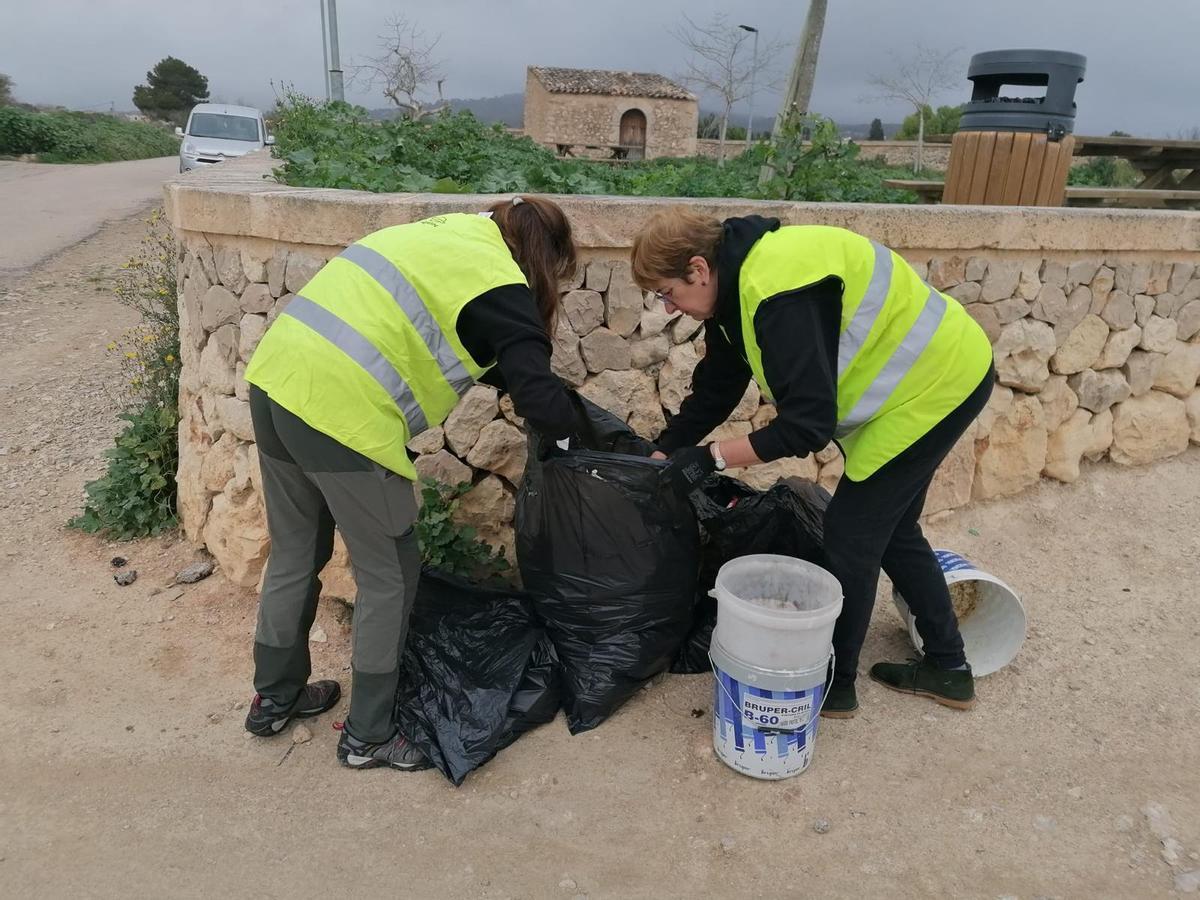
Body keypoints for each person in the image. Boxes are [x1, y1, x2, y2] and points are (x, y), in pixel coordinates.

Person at [241, 196, 581, 769]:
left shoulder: (445, 234)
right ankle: (368, 735)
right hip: (339, 410)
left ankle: (274, 699)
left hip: (275, 379)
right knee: (389, 574)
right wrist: (577, 440)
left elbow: (452, 333)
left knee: (295, 554)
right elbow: (537, 393)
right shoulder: (502, 281)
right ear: (543, 258)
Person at [631, 209, 994, 717]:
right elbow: (718, 385)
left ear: (698, 268)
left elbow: (806, 426)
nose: (669, 306)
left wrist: (712, 457)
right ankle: (949, 668)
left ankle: (833, 685)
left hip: (938, 384)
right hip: (916, 390)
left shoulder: (777, 292)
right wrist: (665, 449)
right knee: (891, 529)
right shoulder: (732, 292)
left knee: (851, 535)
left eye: (669, 292)